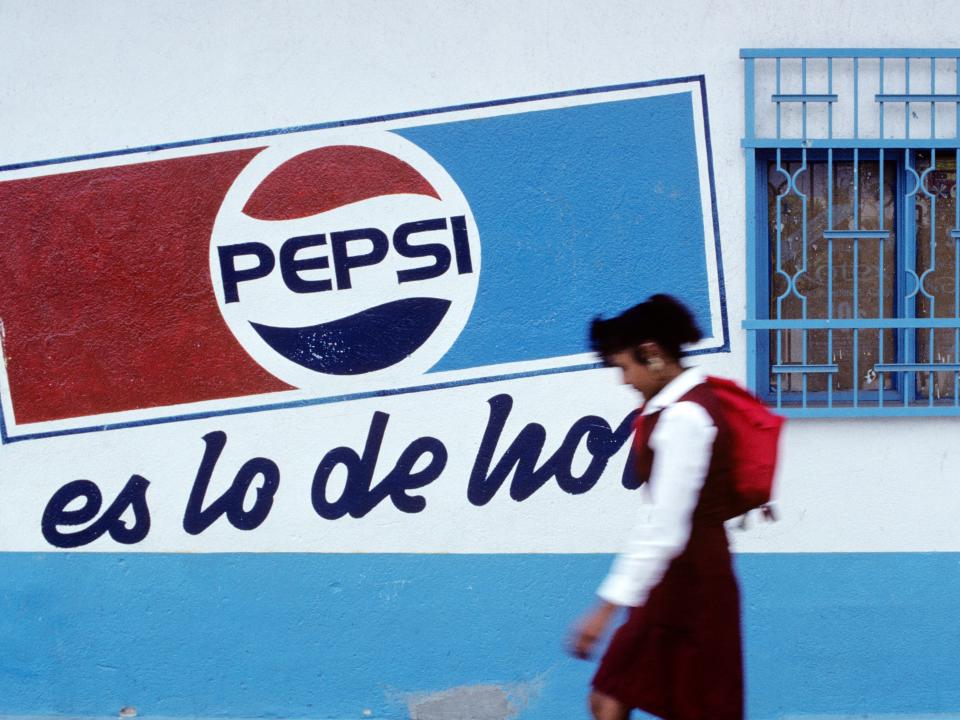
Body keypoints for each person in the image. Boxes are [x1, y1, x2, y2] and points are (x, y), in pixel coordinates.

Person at [568, 294, 743, 720]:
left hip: (691, 584)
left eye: (624, 367)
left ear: (652, 354)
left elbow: (665, 525)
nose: (624, 380)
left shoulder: (685, 418)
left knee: (639, 699)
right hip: (677, 579)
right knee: (613, 694)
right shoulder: (678, 407)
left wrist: (604, 610)